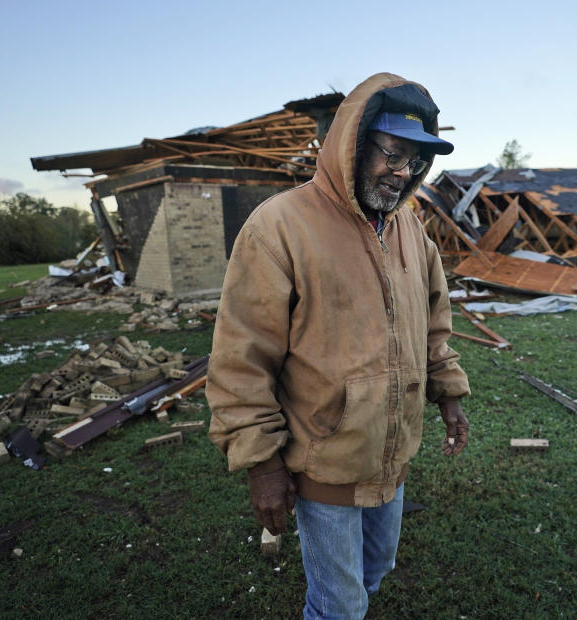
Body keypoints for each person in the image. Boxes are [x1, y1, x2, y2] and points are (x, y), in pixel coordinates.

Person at [206, 72, 471, 619]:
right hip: (323, 463)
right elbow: (241, 360)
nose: (403, 173)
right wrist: (263, 464)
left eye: (416, 160)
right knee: (338, 606)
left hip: (389, 457)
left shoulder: (410, 232)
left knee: (377, 570)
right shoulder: (278, 228)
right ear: (351, 143)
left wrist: (448, 391)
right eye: (392, 153)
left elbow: (434, 323)